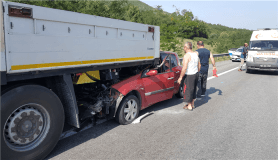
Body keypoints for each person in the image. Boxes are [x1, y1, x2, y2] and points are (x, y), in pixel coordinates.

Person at [178, 42, 201, 111]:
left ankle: (190, 106)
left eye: (184, 47)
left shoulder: (186, 55)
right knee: (193, 89)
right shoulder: (196, 54)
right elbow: (199, 65)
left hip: (190, 75)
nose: (183, 49)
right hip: (196, 74)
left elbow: (184, 68)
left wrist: (180, 77)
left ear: (186, 47)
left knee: (188, 90)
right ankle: (192, 103)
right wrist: (197, 72)